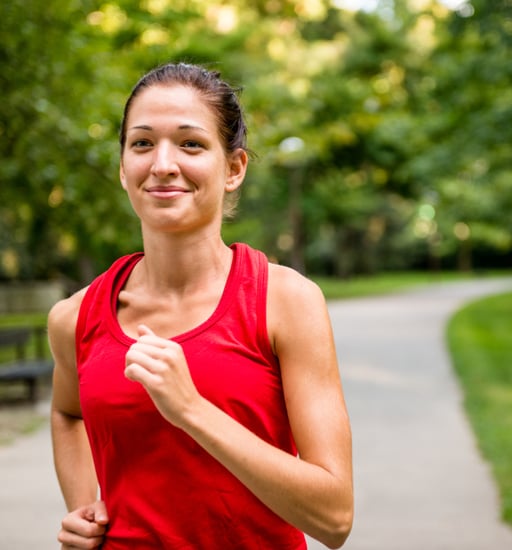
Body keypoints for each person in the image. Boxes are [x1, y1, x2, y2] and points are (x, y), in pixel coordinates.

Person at [49, 62, 353, 550]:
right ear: (123, 168)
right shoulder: (74, 317)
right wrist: (85, 508)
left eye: (190, 144)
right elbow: (67, 413)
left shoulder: (285, 302)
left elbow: (334, 517)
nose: (162, 164)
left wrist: (190, 408)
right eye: (142, 143)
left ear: (233, 168)